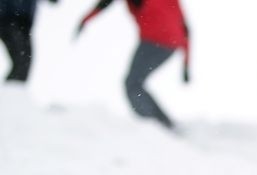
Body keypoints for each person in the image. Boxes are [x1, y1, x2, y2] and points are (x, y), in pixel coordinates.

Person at [76, 0, 190, 131]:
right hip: (172, 43)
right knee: (135, 84)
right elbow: (186, 28)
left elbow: (105, 3)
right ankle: (164, 124)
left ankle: (157, 128)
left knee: (133, 84)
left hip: (154, 41)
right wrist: (186, 64)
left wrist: (85, 19)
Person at [0, 0, 56, 83]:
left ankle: (12, 93)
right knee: (22, 63)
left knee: (24, 63)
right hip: (8, 18)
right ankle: (10, 93)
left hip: (22, 22)